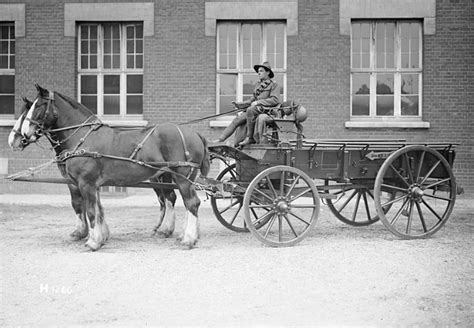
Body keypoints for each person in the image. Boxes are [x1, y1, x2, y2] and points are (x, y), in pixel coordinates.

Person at [214, 61, 280, 146]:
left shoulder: (274, 85)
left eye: (261, 71)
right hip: (254, 110)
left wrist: (258, 102)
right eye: (258, 71)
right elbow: (251, 100)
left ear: (268, 72)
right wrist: (240, 104)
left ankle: (250, 138)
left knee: (250, 110)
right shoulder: (258, 85)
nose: (258, 73)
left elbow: (275, 100)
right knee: (238, 119)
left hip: (265, 111)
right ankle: (221, 139)